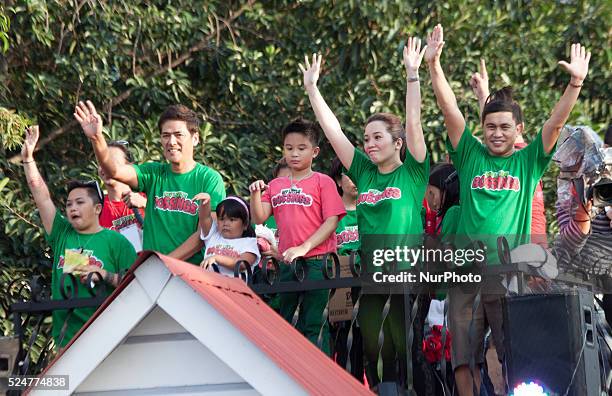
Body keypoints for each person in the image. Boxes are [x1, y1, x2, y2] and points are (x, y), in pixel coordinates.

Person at [425, 23, 591, 395]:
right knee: (463, 359)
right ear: (482, 129)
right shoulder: (469, 155)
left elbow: (555, 123)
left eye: (504, 127)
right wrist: (434, 65)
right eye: (490, 127)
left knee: (511, 354)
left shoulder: (526, 162)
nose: (496, 133)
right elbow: (449, 108)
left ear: (517, 130)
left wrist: (575, 84)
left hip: (508, 275)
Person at [300, 37, 429, 388]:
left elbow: (414, 122)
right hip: (371, 278)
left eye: (377, 138)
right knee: (372, 352)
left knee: (404, 351)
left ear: (397, 143)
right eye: (367, 139)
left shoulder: (413, 173)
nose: (369, 144)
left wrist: (412, 75)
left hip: (406, 276)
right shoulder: (364, 172)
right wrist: (313, 89)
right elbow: (333, 131)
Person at [21, 126, 137, 348]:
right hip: (66, 340)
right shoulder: (63, 234)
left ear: (97, 209)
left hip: (108, 338)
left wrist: (104, 275)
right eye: (68, 204)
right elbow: (42, 197)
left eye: (80, 202)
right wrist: (28, 159)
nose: (72, 207)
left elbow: (136, 284)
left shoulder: (116, 242)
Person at [74, 101, 226, 264]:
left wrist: (165, 263)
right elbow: (114, 171)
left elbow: (206, 232)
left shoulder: (209, 178)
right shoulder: (153, 173)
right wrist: (97, 138)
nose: (171, 142)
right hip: (148, 275)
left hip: (189, 276)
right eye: (165, 135)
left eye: (178, 135)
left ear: (195, 138)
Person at [249, 119, 346, 355]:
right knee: (285, 323)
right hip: (287, 263)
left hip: (317, 262)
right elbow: (259, 217)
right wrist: (254, 194)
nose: (294, 154)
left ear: (314, 152)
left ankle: (316, 380)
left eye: (301, 148)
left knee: (313, 325)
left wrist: (304, 247)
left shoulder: (323, 182)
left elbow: (332, 221)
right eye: (289, 148)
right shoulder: (276, 184)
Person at [470, 59, 548, 247]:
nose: (498, 133)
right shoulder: (501, 152)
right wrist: (483, 96)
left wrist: (484, 98)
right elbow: (495, 130)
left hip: (531, 243)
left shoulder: (524, 157)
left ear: (518, 128)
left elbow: (500, 133)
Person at [98, 140, 147, 250]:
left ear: (129, 167)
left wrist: (146, 204)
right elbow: (80, 250)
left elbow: (174, 227)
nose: (106, 167)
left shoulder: (148, 196)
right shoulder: (95, 209)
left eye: (112, 162)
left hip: (151, 264)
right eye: (102, 163)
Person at [196, 193, 260, 277]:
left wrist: (217, 258)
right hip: (207, 286)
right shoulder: (213, 235)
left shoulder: (249, 243)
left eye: (232, 219)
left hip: (234, 289)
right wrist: (205, 202)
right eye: (221, 219)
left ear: (245, 224)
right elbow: (205, 218)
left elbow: (243, 264)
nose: (226, 223)